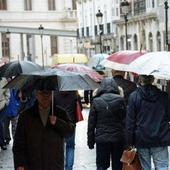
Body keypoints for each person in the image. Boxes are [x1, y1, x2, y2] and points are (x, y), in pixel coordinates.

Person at [13, 90, 75, 170]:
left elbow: (69, 132)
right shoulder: (25, 116)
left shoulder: (60, 113)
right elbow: (18, 143)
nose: (45, 96)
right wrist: (20, 163)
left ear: (52, 94)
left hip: (54, 165)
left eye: (48, 93)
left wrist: (58, 122)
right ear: (37, 94)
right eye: (42, 93)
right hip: (32, 164)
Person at [126, 75, 170, 170]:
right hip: (160, 138)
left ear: (141, 80)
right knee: (162, 166)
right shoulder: (164, 96)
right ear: (153, 80)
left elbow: (130, 122)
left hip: (141, 139)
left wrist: (129, 141)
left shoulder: (134, 96)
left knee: (145, 167)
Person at [87, 77, 126, 170]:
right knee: (118, 166)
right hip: (118, 138)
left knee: (101, 166)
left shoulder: (96, 101)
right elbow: (125, 122)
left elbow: (91, 124)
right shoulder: (121, 100)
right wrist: (127, 141)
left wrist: (90, 141)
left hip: (102, 139)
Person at [54, 91, 82, 170]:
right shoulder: (75, 93)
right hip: (70, 124)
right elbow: (80, 108)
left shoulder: (55, 93)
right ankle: (69, 168)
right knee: (70, 147)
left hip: (58, 124)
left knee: (59, 147)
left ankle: (60, 167)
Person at [0, 77, 10, 150]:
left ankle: (2, 143)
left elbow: (7, 92)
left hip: (2, 105)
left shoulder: (3, 80)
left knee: (0, 123)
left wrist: (6, 102)